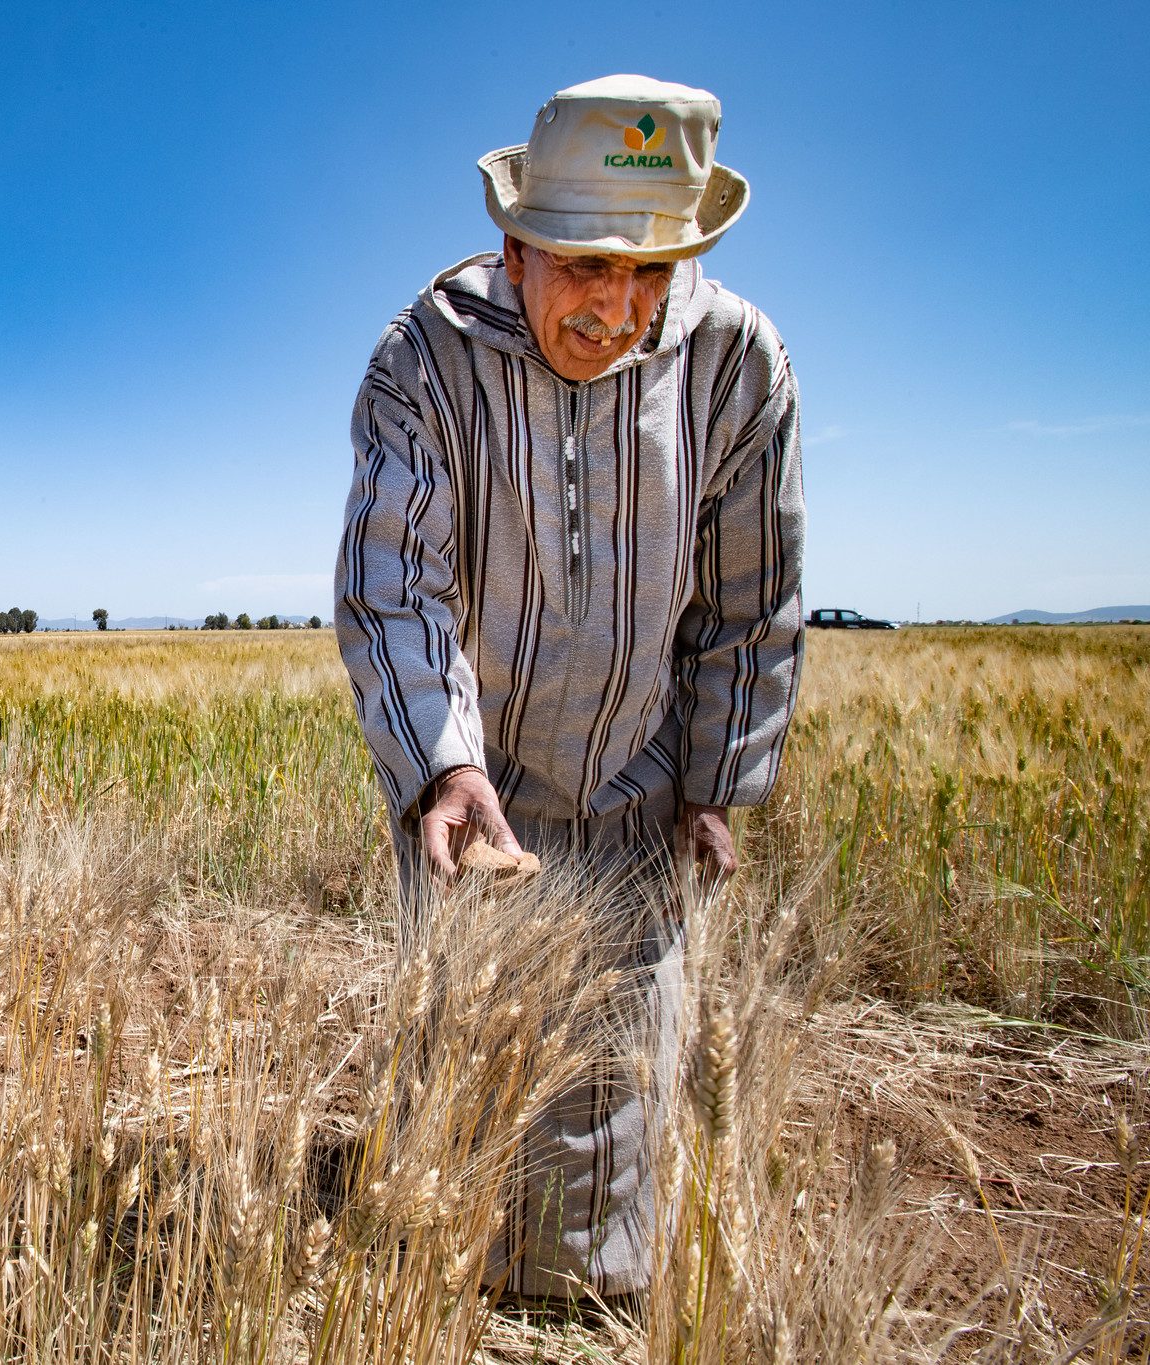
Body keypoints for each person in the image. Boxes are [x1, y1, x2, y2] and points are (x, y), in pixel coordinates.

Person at [332, 74, 804, 1305]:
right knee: (463, 1087)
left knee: (613, 1097)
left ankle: (584, 1310)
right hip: (474, 799)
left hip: (641, 781)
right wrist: (444, 764)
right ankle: (444, 1293)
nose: (613, 309)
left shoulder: (738, 367)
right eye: (582, 265)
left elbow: (747, 596)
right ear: (513, 244)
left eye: (648, 274)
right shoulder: (423, 361)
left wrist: (712, 780)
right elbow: (395, 583)